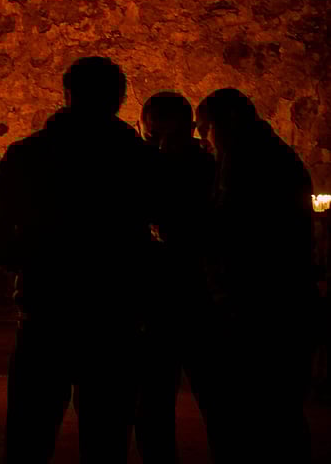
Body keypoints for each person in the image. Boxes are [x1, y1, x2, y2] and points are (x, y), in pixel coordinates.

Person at [0, 57, 159, 463]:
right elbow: (168, 230)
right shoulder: (139, 159)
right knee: (107, 435)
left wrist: (30, 260)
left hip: (47, 305)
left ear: (68, 94)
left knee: (31, 432)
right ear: (119, 99)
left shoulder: (29, 155)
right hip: (115, 309)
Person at [195, 88, 316, 463]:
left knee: (256, 412)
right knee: (279, 413)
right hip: (281, 297)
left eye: (205, 130)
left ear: (223, 123)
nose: (204, 141)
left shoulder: (244, 159)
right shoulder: (270, 153)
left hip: (257, 303)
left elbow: (232, 228)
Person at [134, 91, 215, 462]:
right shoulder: (211, 163)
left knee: (161, 395)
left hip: (181, 293)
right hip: (191, 293)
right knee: (159, 396)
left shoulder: (199, 166)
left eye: (155, 133)